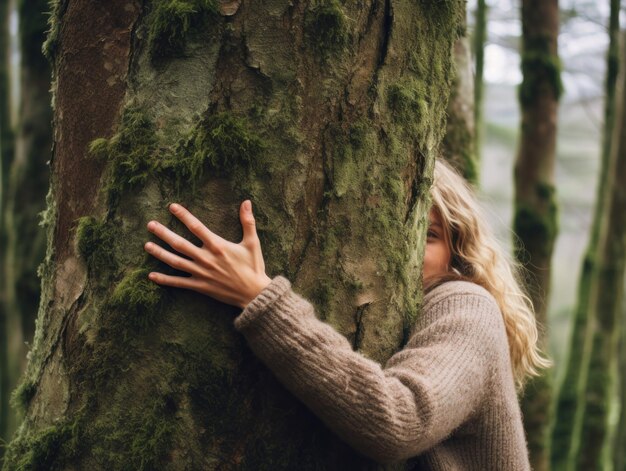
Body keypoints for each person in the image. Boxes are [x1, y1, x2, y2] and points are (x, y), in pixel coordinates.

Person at [143, 159, 550, 469]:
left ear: (456, 253)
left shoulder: (468, 306)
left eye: (426, 236)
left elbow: (399, 420)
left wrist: (260, 297)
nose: (404, 253)